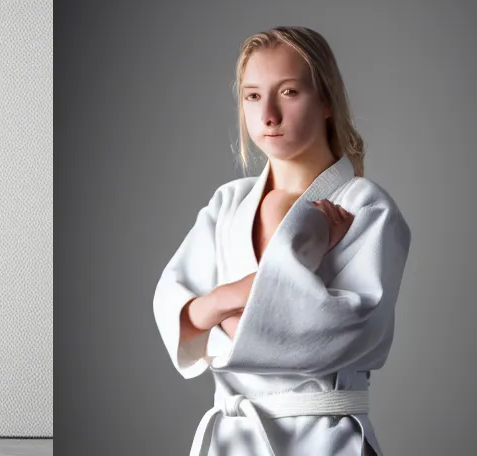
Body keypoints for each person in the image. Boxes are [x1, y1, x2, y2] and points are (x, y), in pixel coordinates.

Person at [154, 26, 410, 455]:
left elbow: (336, 333)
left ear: (326, 100)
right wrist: (237, 294)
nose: (268, 114)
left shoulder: (366, 207)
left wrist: (213, 314)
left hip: (325, 439)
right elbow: (171, 310)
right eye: (253, 96)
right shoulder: (227, 203)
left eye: (289, 92)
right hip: (232, 439)